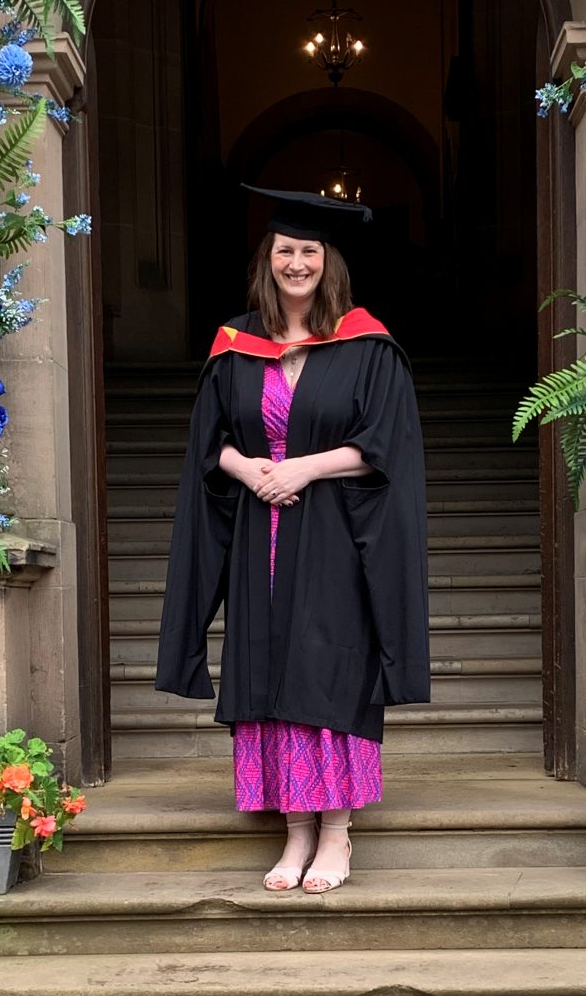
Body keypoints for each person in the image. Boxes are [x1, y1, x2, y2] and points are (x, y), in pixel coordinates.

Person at [155, 186, 430, 894]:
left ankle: (336, 831)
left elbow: (383, 441)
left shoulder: (367, 344)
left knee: (327, 666)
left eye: (309, 250)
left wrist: (303, 467)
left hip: (336, 533)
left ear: (328, 261)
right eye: (285, 250)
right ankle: (294, 828)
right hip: (260, 533)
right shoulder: (235, 343)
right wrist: (249, 469)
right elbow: (208, 441)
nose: (297, 262)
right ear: (267, 259)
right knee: (268, 665)